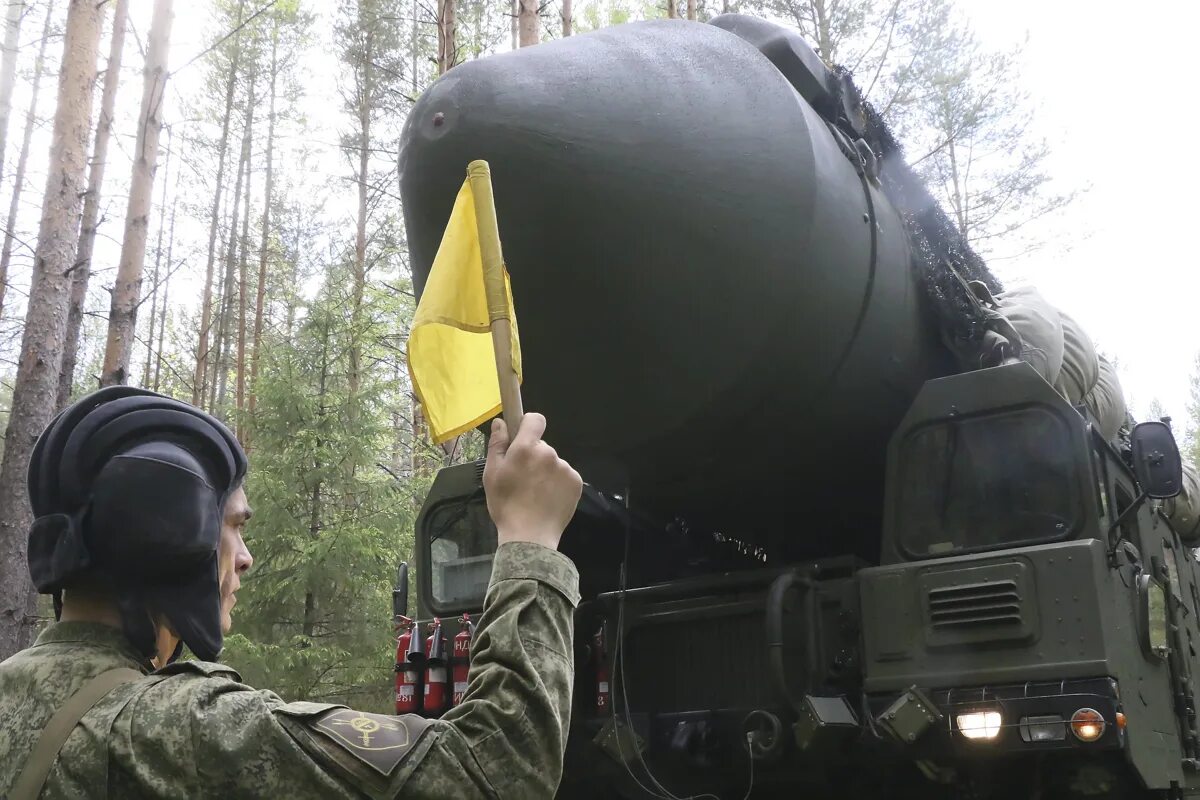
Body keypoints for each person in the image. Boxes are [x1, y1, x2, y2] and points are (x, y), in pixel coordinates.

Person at [0, 386, 583, 799]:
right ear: (170, 533)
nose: (245, 557)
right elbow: (499, 772)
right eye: (233, 525)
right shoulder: (180, 733)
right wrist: (531, 542)